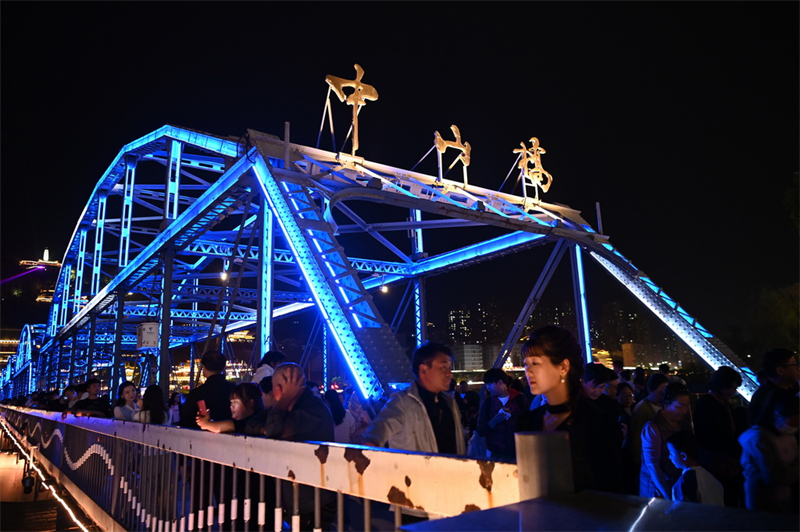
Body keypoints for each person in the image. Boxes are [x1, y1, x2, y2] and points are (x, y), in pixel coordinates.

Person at [516, 325, 623, 493]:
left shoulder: (598, 423)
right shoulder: (526, 422)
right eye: (526, 364)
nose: (527, 372)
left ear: (563, 367)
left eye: (535, 363)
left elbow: (611, 488)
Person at [262, 363, 336, 531]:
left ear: (281, 388)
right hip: (305, 496)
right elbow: (256, 423)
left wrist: (285, 398)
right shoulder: (302, 407)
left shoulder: (313, 410)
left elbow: (274, 429)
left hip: (312, 500)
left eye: (274, 388)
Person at [362, 342, 464, 455]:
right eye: (443, 367)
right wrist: (371, 445)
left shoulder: (450, 403)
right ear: (423, 369)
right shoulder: (402, 402)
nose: (449, 374)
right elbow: (381, 427)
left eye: (450, 368)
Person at [739, 389, 799, 514]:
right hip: (762, 503)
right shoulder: (757, 438)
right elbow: (772, 476)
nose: (795, 426)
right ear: (777, 415)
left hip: (786, 500)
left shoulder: (787, 435)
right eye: (793, 422)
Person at [694, 366, 745, 507]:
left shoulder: (724, 404)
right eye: (732, 388)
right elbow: (713, 435)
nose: (734, 392)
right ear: (722, 385)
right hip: (717, 462)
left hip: (727, 459)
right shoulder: (706, 405)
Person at [639, 383, 691, 498]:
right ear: (666, 404)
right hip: (656, 490)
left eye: (687, 406)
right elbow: (652, 465)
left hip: (676, 482)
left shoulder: (681, 422)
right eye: (680, 406)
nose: (684, 411)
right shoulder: (653, 427)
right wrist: (668, 495)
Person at [476, 368, 529, 461]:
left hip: (519, 451)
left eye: (489, 384)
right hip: (496, 453)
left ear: (500, 382)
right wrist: (494, 421)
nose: (487, 387)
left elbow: (528, 424)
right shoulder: (487, 403)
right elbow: (481, 430)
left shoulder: (520, 399)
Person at [179, 350, 236, 429]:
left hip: (201, 438)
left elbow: (186, 422)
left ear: (204, 368)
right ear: (223, 367)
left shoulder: (196, 394)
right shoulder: (235, 391)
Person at [667, 431, 725, 506]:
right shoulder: (709, 476)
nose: (669, 457)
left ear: (683, 456)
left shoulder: (686, 481)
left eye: (671, 453)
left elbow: (684, 512)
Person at [630, 372, 670, 478]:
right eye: (660, 393)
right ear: (649, 390)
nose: (663, 396)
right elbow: (636, 439)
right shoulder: (642, 409)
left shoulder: (665, 406)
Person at [747, 348, 800, 427]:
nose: (798, 369)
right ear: (780, 371)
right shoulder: (779, 398)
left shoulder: (764, 394)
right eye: (794, 364)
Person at [197, 382, 263, 433]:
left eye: (236, 402)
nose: (232, 406)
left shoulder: (255, 421)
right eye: (231, 402)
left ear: (250, 403)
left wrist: (207, 424)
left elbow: (232, 426)